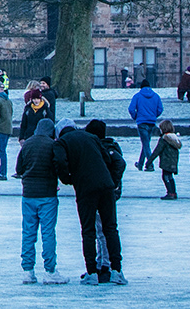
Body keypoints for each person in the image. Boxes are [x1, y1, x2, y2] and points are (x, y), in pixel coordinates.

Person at [56, 117, 126, 285]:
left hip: (86, 189)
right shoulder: (91, 137)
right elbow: (107, 159)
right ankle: (116, 270)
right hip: (106, 186)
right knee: (110, 228)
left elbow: (59, 162)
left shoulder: (61, 143)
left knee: (88, 231)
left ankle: (92, 272)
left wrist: (68, 179)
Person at [14, 116, 69, 284]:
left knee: (28, 233)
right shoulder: (53, 145)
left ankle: (28, 271)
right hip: (47, 194)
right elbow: (58, 166)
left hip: (28, 194)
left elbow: (19, 169)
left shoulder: (27, 144)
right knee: (48, 233)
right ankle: (50, 270)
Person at [127, 79, 164, 171]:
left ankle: (150, 164)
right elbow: (160, 109)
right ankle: (140, 164)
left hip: (141, 122)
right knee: (146, 143)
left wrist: (136, 117)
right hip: (151, 122)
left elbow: (131, 109)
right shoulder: (156, 96)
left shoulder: (137, 96)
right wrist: (154, 116)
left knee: (146, 144)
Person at [155, 119, 181, 199]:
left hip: (166, 161)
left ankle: (170, 193)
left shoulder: (164, 139)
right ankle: (173, 192)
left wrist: (149, 161)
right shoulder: (174, 138)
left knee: (165, 177)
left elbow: (157, 150)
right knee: (170, 177)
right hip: (173, 161)